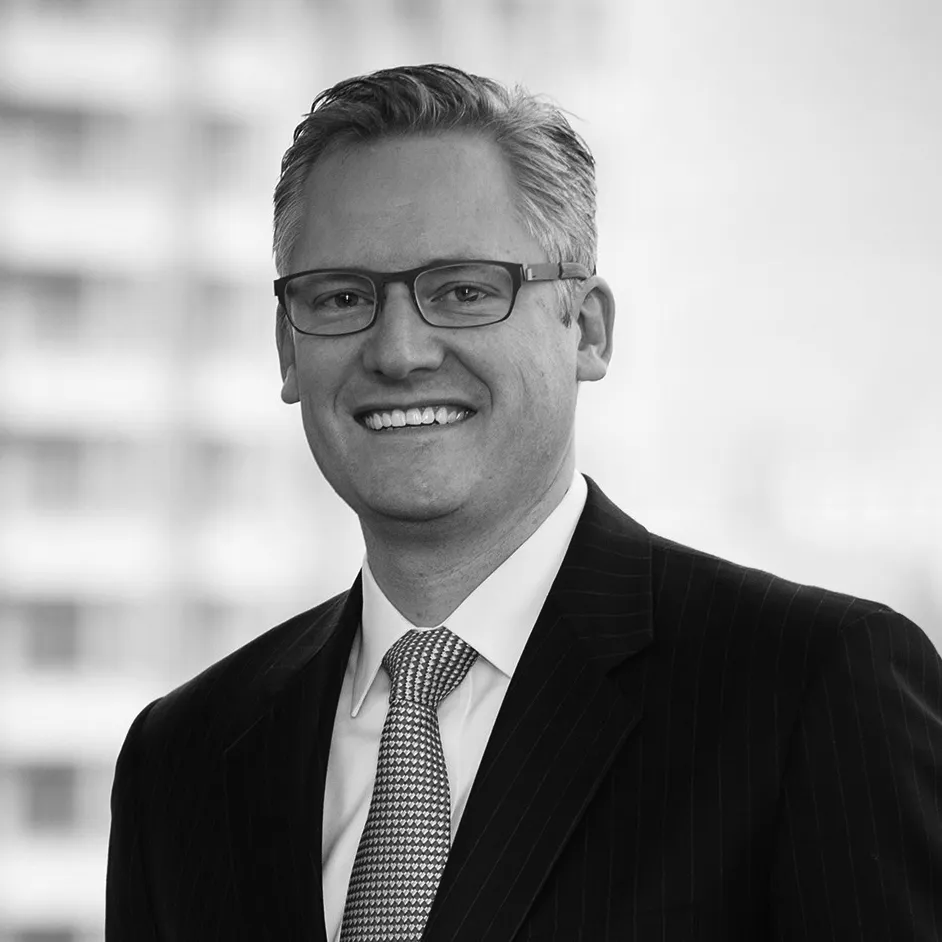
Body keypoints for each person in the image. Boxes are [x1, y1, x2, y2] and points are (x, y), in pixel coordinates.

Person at [105, 64, 942, 941]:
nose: (399, 351)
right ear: (288, 350)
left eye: (465, 290)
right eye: (343, 298)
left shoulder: (810, 693)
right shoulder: (182, 758)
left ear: (588, 330)